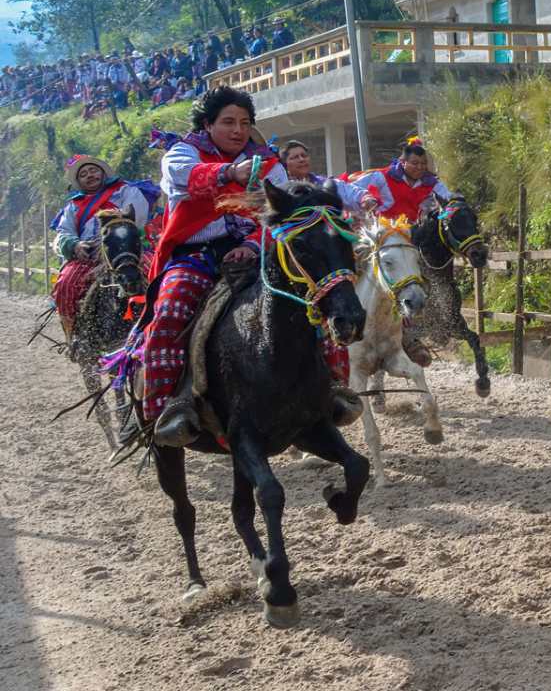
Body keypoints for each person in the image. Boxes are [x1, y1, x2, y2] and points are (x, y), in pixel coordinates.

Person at [105, 87, 358, 448]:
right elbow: (189, 177)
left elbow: (284, 216)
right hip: (195, 255)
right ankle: (166, 408)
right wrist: (229, 174)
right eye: (227, 122)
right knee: (169, 311)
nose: (238, 129)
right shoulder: (182, 152)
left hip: (254, 252)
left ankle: (332, 388)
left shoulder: (268, 163)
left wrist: (251, 245)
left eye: (244, 122)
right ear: (207, 124)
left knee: (314, 297)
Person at [49, 154, 157, 335]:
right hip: (88, 256)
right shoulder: (73, 207)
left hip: (128, 249)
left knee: (156, 271)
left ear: (103, 173)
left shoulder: (126, 191)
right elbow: (63, 233)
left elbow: (137, 216)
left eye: (93, 170)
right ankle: (72, 333)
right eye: (83, 174)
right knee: (66, 284)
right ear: (78, 182)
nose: (89, 175)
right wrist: (75, 246)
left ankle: (160, 323)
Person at [355, 136, 458, 221]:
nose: (420, 167)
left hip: (417, 234)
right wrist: (366, 201)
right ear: (403, 162)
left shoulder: (432, 183)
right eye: (415, 163)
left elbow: (451, 204)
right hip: (386, 234)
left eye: (423, 163)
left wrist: (439, 218)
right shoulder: (382, 176)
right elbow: (355, 189)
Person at [281, 139, 374, 213]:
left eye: (304, 155)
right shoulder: (281, 192)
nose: (302, 159)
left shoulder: (325, 184)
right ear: (285, 164)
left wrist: (365, 198)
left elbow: (348, 192)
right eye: (295, 157)